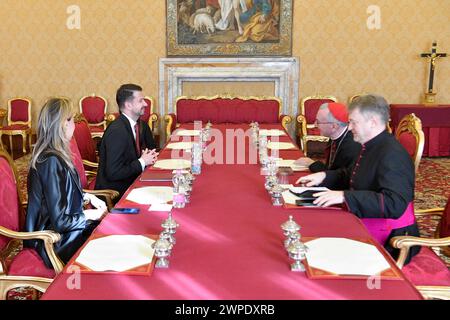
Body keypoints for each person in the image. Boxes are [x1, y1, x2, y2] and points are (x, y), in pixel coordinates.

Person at [296, 94, 420, 263]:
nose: (349, 127)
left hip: (393, 239)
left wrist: (344, 196)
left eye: (354, 122)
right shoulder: (371, 145)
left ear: (373, 122)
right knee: (311, 226)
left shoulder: (392, 154)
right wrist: (324, 175)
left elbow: (394, 203)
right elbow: (352, 173)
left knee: (318, 245)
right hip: (370, 219)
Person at [25, 97, 107, 268]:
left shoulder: (55, 155)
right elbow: (60, 222)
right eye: (72, 120)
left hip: (65, 232)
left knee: (109, 230)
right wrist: (91, 215)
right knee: (107, 239)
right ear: (63, 123)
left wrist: (88, 197)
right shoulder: (50, 160)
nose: (75, 125)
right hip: (54, 242)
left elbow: (62, 191)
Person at [95, 84, 158, 198]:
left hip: (134, 181)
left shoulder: (140, 125)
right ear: (128, 105)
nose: (146, 103)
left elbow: (150, 151)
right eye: (141, 101)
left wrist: (146, 157)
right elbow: (113, 173)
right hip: (117, 193)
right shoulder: (117, 131)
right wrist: (142, 161)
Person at [295, 102, 361, 178]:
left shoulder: (351, 146)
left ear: (334, 126)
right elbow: (330, 168)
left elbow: (340, 178)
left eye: (318, 122)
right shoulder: (334, 136)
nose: (315, 125)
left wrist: (312, 164)